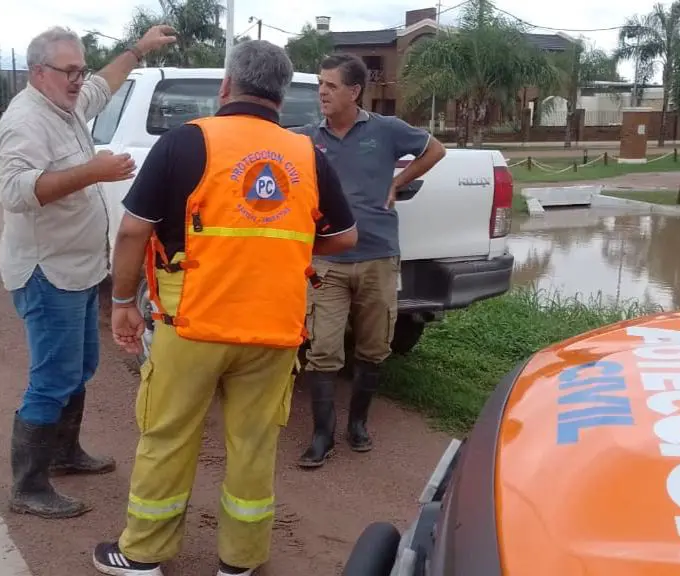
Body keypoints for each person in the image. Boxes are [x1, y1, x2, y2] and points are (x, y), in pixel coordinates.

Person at [91, 40, 358, 576]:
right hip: (274, 330)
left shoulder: (184, 143)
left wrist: (123, 300)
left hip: (193, 324)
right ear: (282, 96)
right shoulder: (307, 155)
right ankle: (240, 562)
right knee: (255, 445)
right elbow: (344, 237)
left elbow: (133, 230)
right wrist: (280, 245)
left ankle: (143, 554)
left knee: (167, 435)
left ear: (225, 86)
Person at [0, 24, 177, 520]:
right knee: (52, 377)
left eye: (79, 70)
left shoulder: (66, 103)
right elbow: (14, 190)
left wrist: (138, 49)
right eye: (69, 71)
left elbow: (103, 84)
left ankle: (64, 454)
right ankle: (28, 485)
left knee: (80, 367)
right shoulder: (24, 121)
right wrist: (93, 172)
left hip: (76, 268)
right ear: (38, 73)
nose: (79, 80)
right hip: (46, 271)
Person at [292, 53, 447, 469]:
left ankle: (357, 424)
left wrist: (398, 182)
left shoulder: (387, 131)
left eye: (331, 85)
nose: (322, 91)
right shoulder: (306, 138)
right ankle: (322, 434)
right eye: (320, 84)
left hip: (379, 255)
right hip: (326, 259)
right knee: (322, 348)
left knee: (374, 347)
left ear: (354, 91)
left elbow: (435, 150)